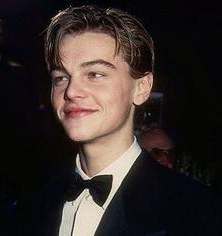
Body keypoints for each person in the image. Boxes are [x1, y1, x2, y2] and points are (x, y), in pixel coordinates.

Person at [17, 5, 222, 236]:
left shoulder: (200, 212)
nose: (71, 91)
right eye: (61, 77)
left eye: (94, 74)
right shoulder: (31, 207)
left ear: (142, 88)